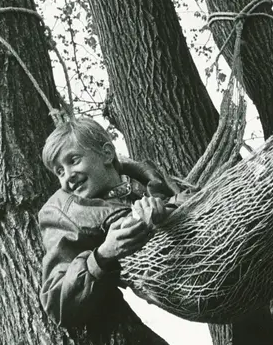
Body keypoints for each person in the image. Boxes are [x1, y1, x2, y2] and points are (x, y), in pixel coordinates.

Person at [38, 115, 177, 327]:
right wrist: (103, 255)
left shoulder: (148, 178)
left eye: (73, 160)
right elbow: (57, 303)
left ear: (106, 154)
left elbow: (196, 200)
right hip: (176, 286)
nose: (68, 176)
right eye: (59, 172)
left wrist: (166, 209)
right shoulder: (60, 213)